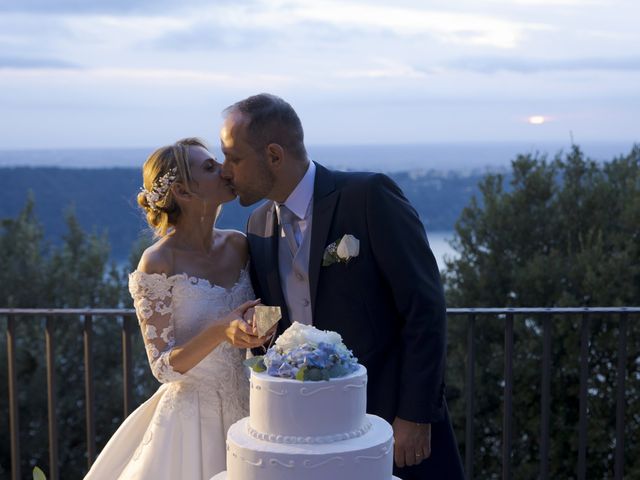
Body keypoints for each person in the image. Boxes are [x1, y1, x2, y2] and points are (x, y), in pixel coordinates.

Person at [219, 94, 464, 479]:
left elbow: (425, 307)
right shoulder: (258, 224)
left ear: (274, 155)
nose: (225, 170)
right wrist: (245, 328)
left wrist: (415, 414)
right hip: (306, 438)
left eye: (233, 157)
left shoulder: (368, 197)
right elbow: (283, 315)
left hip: (387, 422)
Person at [84, 138, 271, 480]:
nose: (225, 171)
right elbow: (162, 367)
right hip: (191, 420)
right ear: (184, 192)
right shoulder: (157, 262)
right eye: (210, 168)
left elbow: (251, 312)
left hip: (248, 408)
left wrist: (257, 325)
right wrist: (219, 332)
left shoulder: (240, 245)